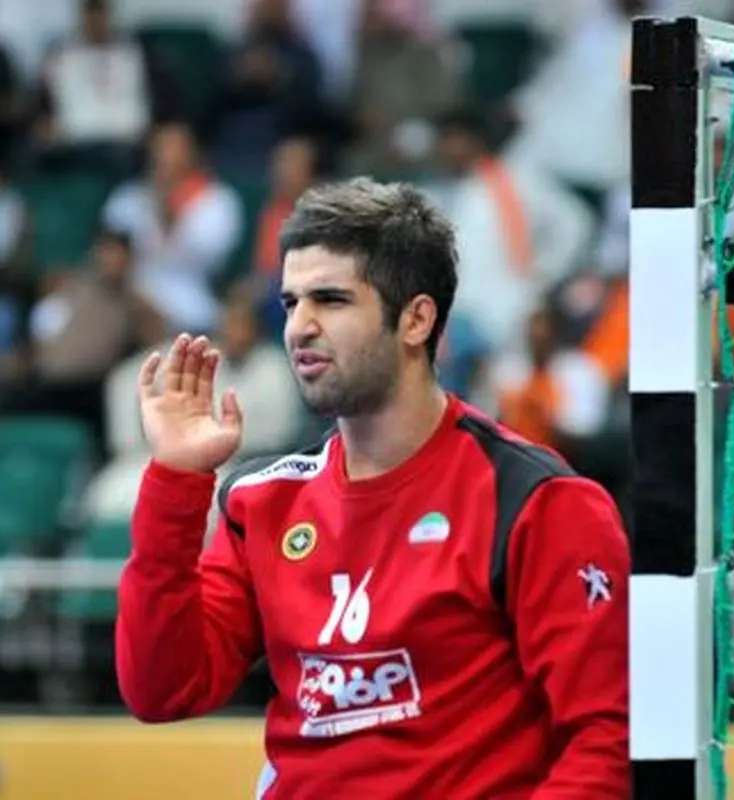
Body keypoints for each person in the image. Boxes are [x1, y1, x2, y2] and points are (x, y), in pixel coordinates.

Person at [116, 178, 630, 798]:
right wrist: (176, 480)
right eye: (290, 303)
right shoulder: (262, 500)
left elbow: (606, 743)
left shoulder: (535, 501)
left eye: (331, 300)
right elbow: (163, 689)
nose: (299, 327)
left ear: (416, 319)